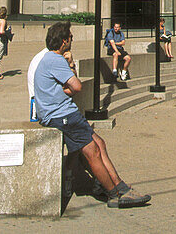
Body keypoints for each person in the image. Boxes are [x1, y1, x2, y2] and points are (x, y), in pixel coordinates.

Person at [30, 21, 151, 208]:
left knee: (100, 143)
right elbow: (77, 86)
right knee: (92, 152)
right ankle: (113, 194)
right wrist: (68, 79)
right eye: (70, 37)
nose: (72, 39)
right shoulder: (54, 60)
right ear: (63, 41)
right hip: (62, 116)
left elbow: (69, 85)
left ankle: (120, 186)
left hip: (65, 113)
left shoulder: (51, 60)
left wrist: (69, 66)